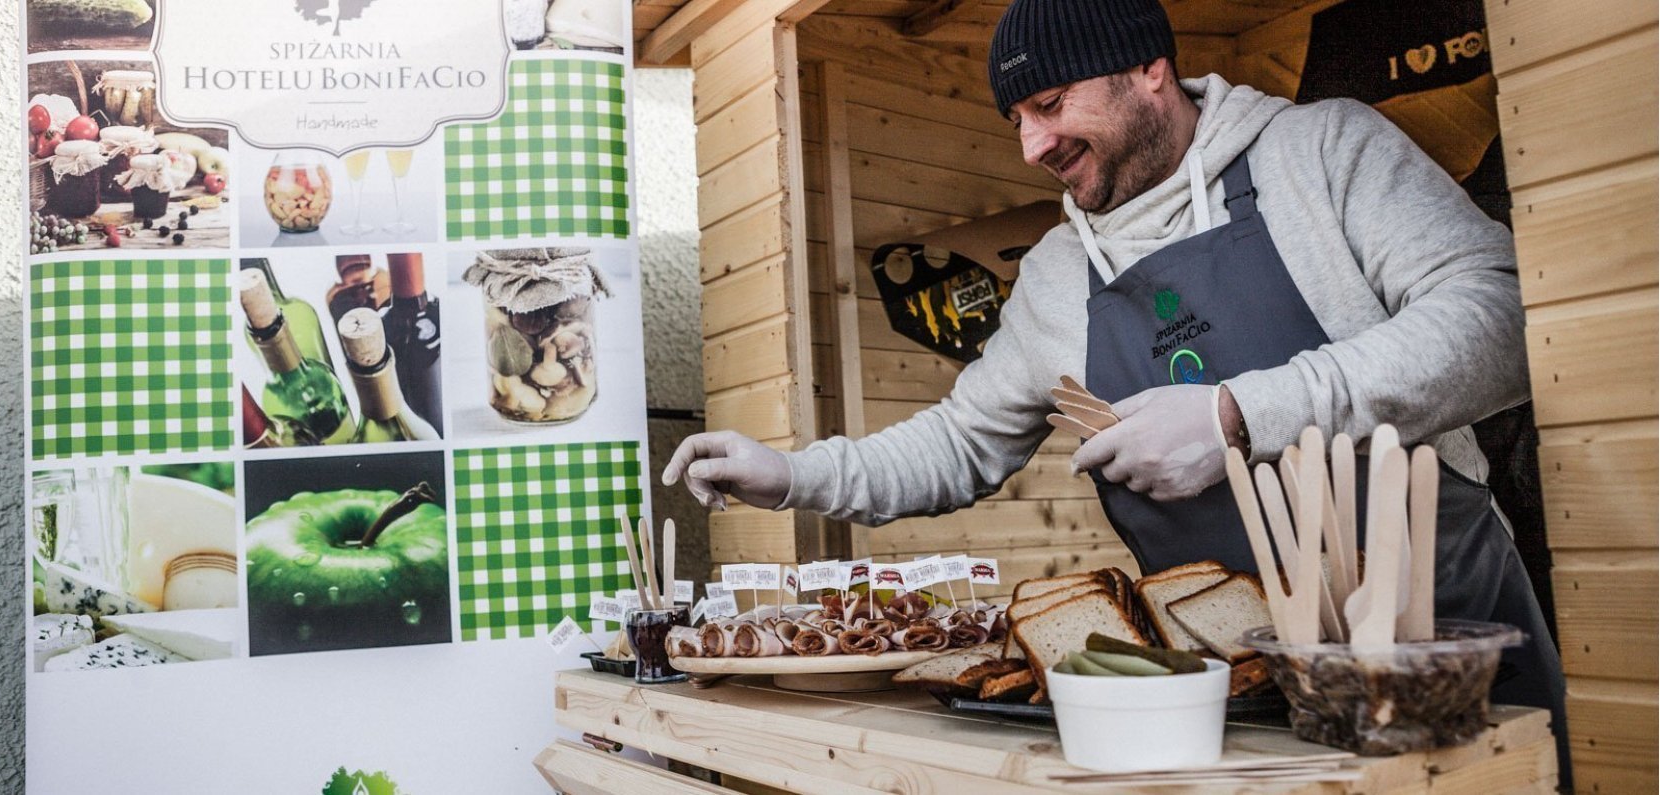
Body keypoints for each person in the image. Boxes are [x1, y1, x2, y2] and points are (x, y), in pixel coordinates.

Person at [663, 0, 1567, 782]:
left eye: (1050, 104)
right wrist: (788, 474)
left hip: (1438, 643)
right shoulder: (1058, 275)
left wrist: (1235, 415)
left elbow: (1496, 319)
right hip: (1221, 687)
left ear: (1149, 69)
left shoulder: (1320, 151)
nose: (1031, 145)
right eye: (1015, 116)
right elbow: (957, 442)